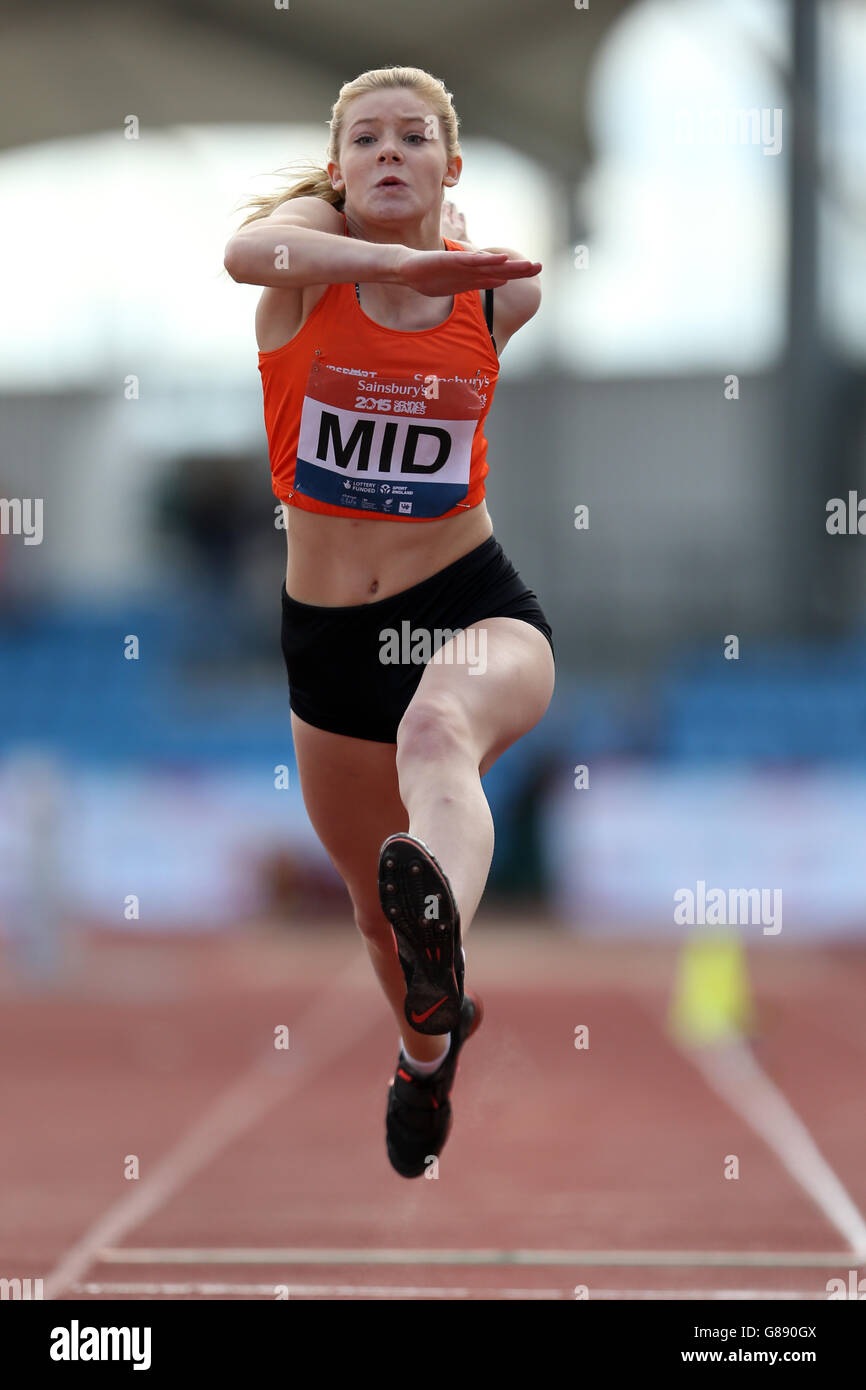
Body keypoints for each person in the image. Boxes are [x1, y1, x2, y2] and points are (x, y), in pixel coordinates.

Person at [225, 65, 555, 1179]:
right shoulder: (300, 270)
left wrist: (433, 268)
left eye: (412, 138)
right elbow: (242, 253)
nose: (387, 153)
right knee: (370, 918)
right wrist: (391, 260)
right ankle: (426, 1058)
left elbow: (476, 292)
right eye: (363, 138)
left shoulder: (498, 296)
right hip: (329, 642)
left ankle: (443, 928)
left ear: (446, 167)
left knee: (437, 736)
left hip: (469, 601)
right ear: (336, 168)